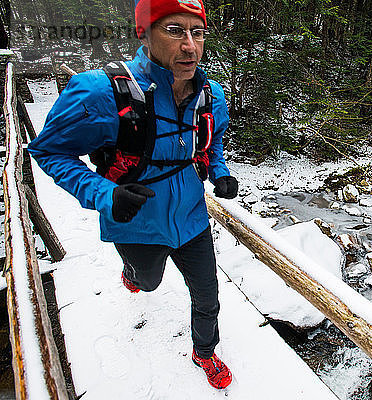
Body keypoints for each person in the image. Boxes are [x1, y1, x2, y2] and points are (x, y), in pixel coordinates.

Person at [28, 0, 237, 390]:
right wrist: (105, 194)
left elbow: (211, 143)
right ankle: (133, 276)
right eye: (175, 30)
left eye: (198, 32)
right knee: (149, 282)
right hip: (135, 224)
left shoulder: (211, 94)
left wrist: (220, 173)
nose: (190, 45)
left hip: (192, 218)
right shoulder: (99, 93)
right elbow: (48, 151)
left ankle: (204, 352)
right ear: (145, 32)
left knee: (207, 294)